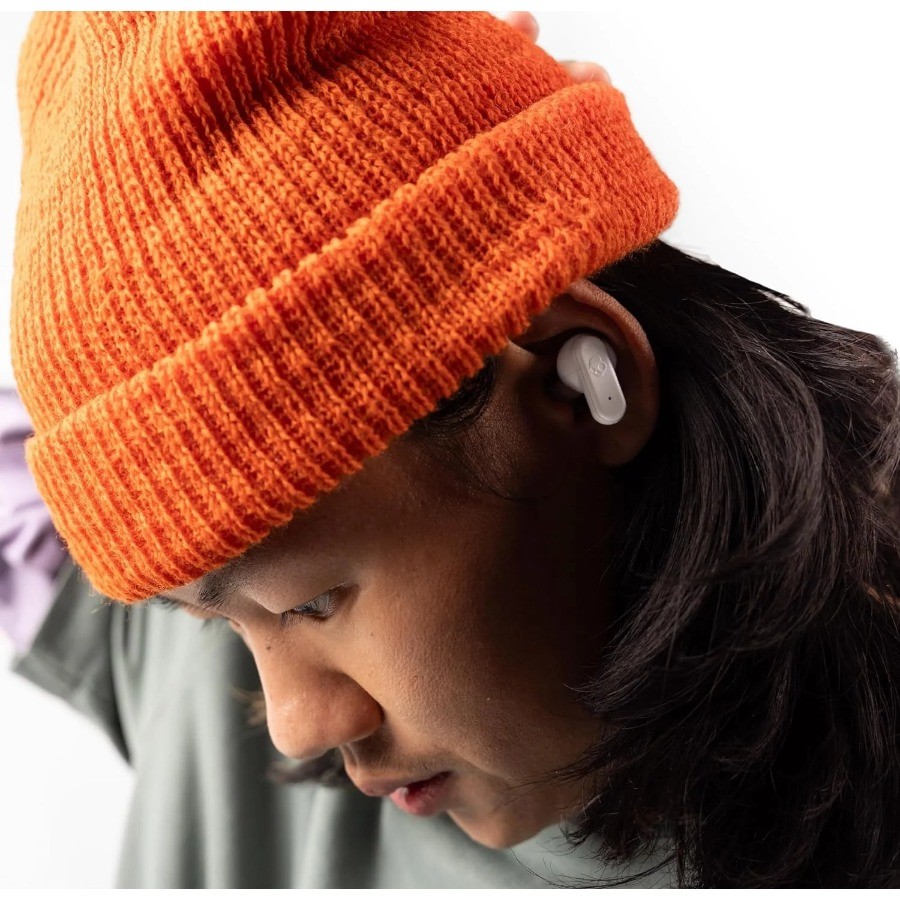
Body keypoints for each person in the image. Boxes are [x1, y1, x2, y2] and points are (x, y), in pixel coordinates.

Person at [5, 10, 899, 890]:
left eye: (311, 603)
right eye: (214, 622)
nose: (294, 725)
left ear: (581, 383)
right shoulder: (184, 657)